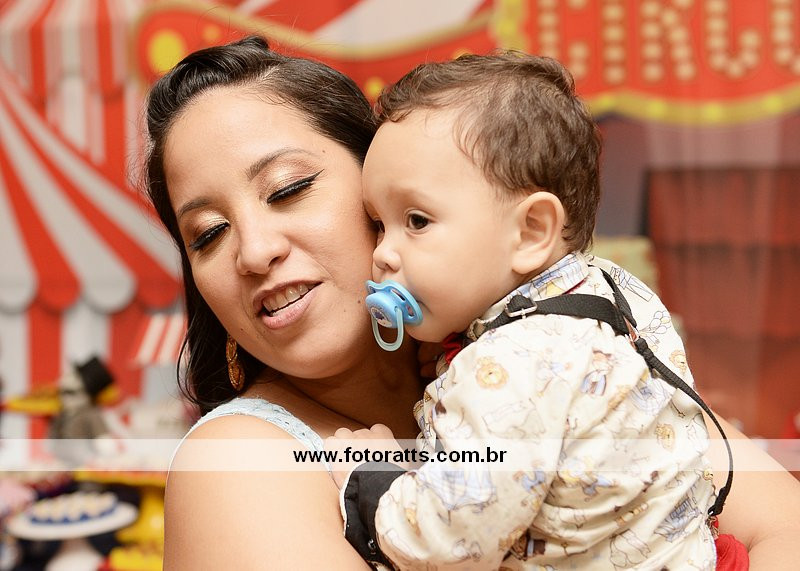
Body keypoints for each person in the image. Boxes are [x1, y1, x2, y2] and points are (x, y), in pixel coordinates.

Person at [143, 36, 800, 570]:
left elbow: (787, 527)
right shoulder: (237, 465)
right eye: (208, 233)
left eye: (288, 189)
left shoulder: (544, 350)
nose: (255, 251)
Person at [325, 51, 723, 570]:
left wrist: (373, 479)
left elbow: (448, 545)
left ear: (532, 231)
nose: (383, 253)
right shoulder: (615, 291)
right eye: (378, 224)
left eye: (416, 221)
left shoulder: (510, 365)